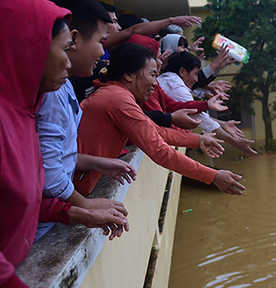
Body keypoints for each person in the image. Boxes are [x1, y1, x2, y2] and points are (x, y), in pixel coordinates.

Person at [0, 0, 127, 288]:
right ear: (28, 47)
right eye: (62, 48)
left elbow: (21, 199)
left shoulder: (25, 112)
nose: (69, 61)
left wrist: (75, 213)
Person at [74, 43, 246, 196]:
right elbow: (160, 151)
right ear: (128, 75)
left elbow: (155, 131)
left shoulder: (118, 95)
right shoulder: (119, 99)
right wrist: (212, 176)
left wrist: (197, 140)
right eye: (152, 75)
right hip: (72, 185)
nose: (156, 83)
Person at [38, 0, 137, 240]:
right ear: (73, 38)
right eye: (101, 41)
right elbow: (48, 175)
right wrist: (84, 204)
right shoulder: (52, 93)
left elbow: (57, 154)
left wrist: (97, 162)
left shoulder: (64, 85)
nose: (103, 52)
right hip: (40, 229)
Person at [157, 51, 257, 155]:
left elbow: (196, 115)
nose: (196, 80)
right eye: (195, 74)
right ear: (182, 71)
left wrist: (222, 124)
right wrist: (235, 142)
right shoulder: (177, 88)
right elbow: (201, 118)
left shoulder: (167, 79)